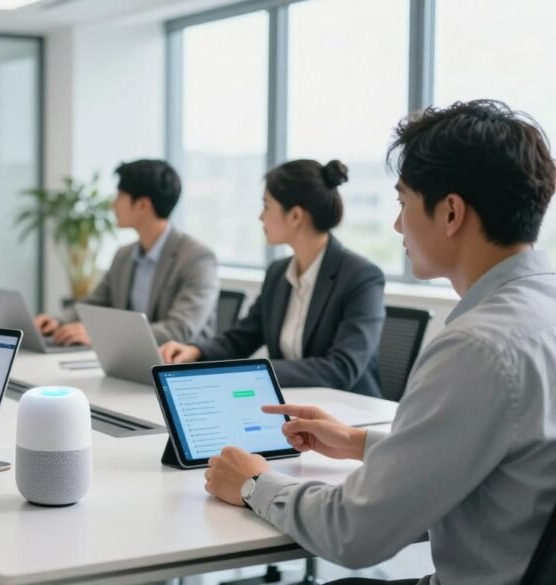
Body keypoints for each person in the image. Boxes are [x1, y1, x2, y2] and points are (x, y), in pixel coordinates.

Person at [204, 100, 556, 585]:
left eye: (402, 203)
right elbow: (503, 452)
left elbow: (353, 532)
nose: (396, 226)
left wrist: (252, 483)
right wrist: (358, 442)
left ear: (451, 212)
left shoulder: (478, 348)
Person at [159, 159, 386, 397]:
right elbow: (242, 339)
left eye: (266, 206)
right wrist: (196, 351)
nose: (260, 217)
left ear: (296, 216)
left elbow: (341, 368)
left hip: (351, 413)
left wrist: (253, 372)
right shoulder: (278, 273)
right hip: (292, 404)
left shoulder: (361, 277)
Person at [35, 159, 219, 346]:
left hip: (175, 367)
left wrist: (103, 335)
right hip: (128, 360)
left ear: (142, 205)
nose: (112, 205)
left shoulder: (198, 258)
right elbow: (95, 303)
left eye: (120, 196)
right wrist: (59, 321)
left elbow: (179, 329)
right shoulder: (124, 255)